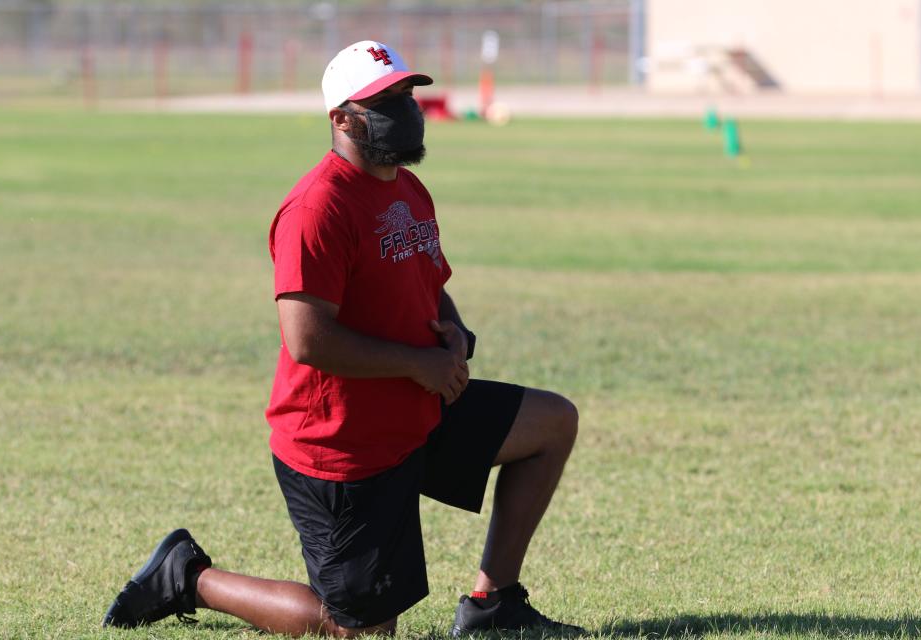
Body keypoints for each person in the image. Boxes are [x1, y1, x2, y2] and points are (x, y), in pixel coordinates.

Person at [102, 40, 582, 638]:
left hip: (417, 411)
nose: (405, 107)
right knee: (357, 629)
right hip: (342, 448)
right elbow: (308, 339)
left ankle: (494, 605)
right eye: (384, 100)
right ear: (341, 118)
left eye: (407, 93)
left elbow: (429, 283)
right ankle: (190, 577)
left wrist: (453, 334)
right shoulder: (316, 208)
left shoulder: (407, 188)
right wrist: (418, 365)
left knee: (552, 422)